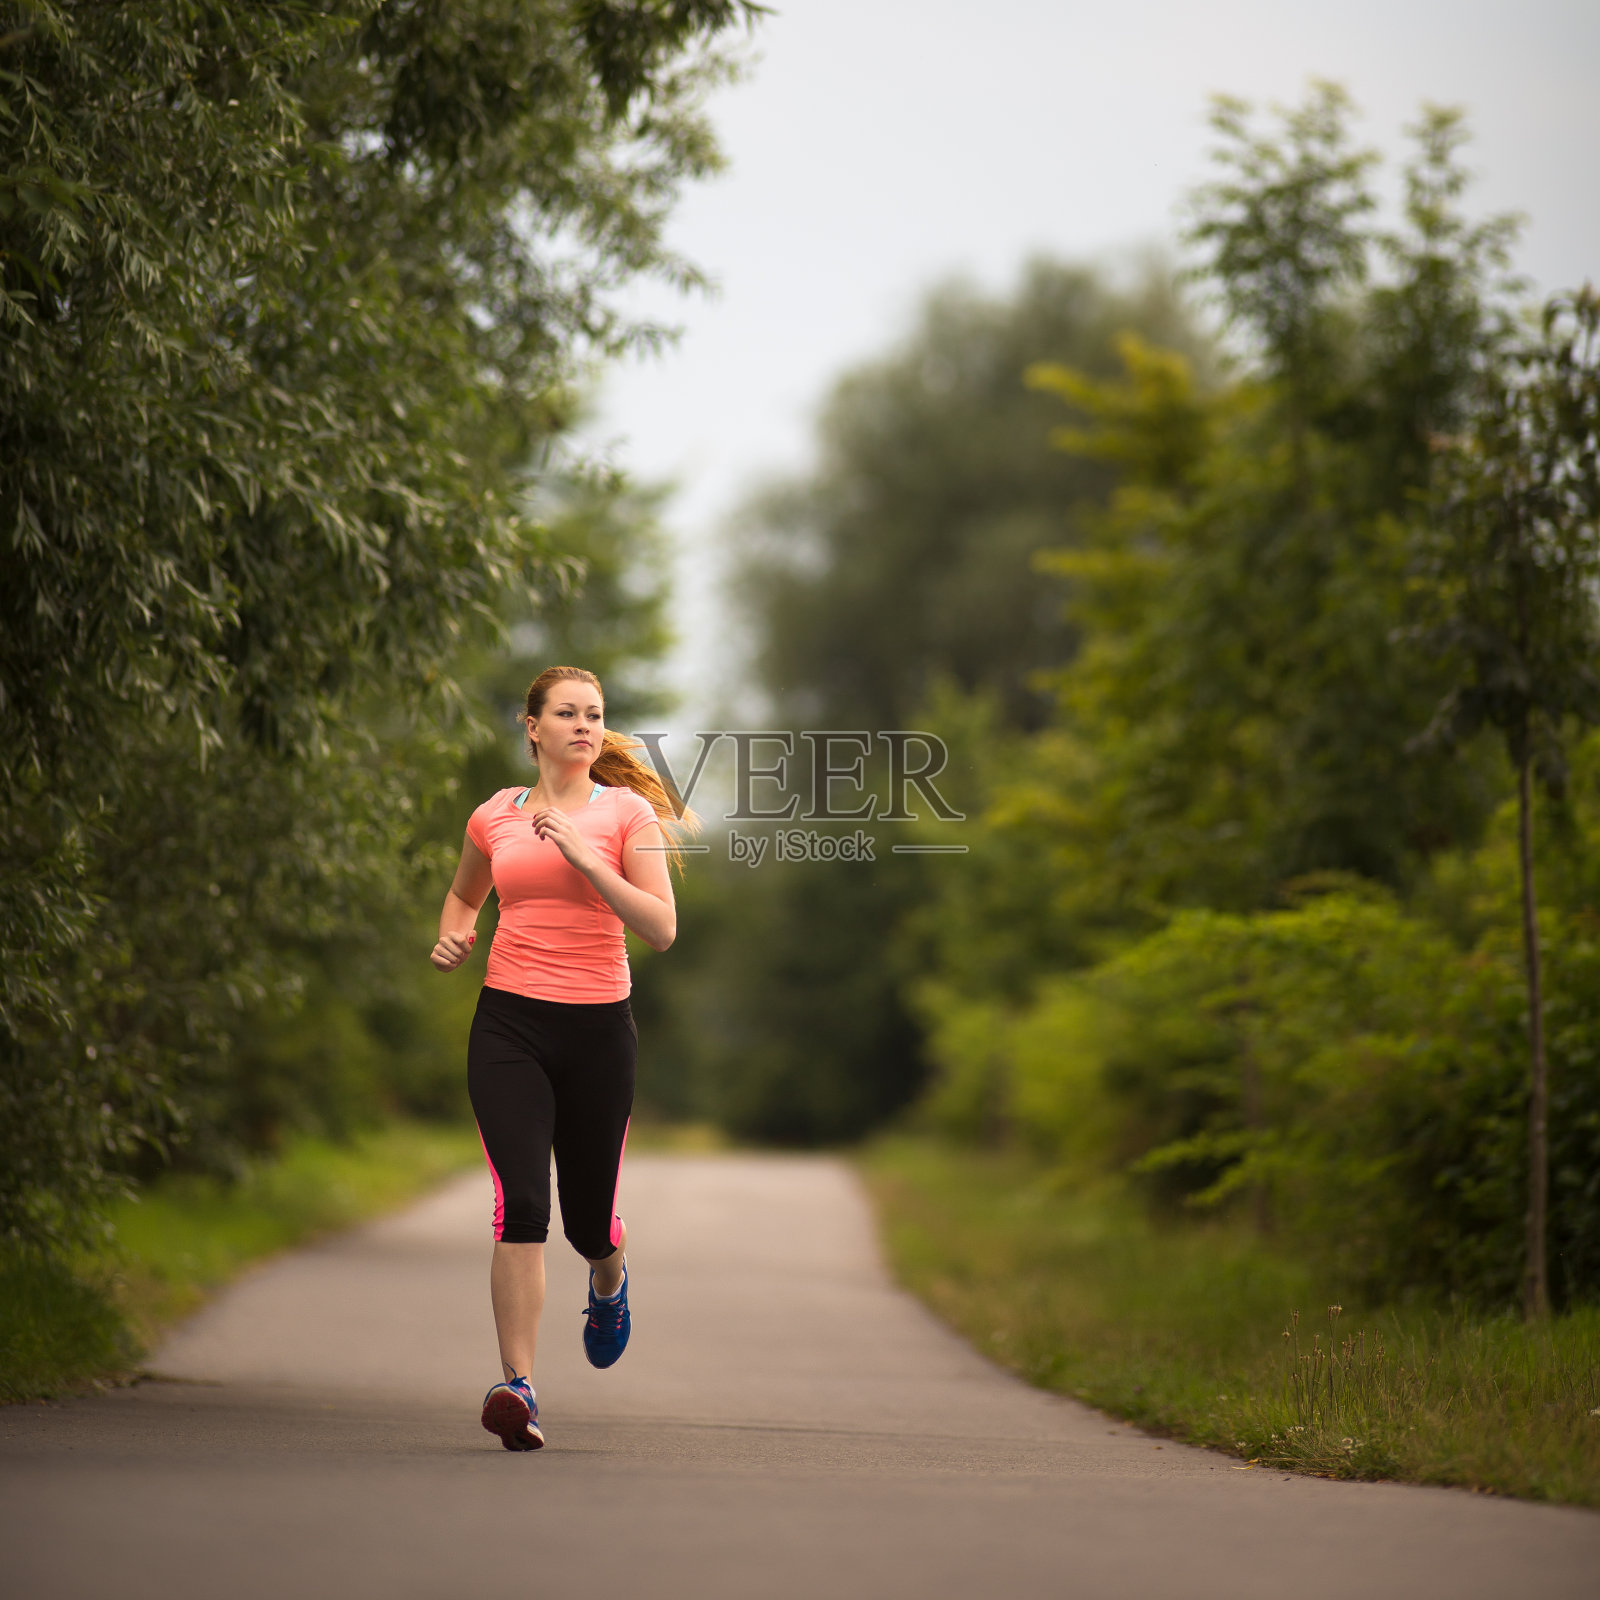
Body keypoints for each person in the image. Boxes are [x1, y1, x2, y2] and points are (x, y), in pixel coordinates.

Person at [430, 666, 687, 1451]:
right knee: (520, 1204)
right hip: (509, 1024)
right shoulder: (494, 817)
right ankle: (519, 1387)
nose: (584, 725)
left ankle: (609, 1280)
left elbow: (661, 928)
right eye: (567, 713)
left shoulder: (627, 813)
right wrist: (455, 934)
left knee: (586, 1221)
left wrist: (587, 860)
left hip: (598, 1033)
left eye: (596, 715)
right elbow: (466, 895)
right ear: (531, 726)